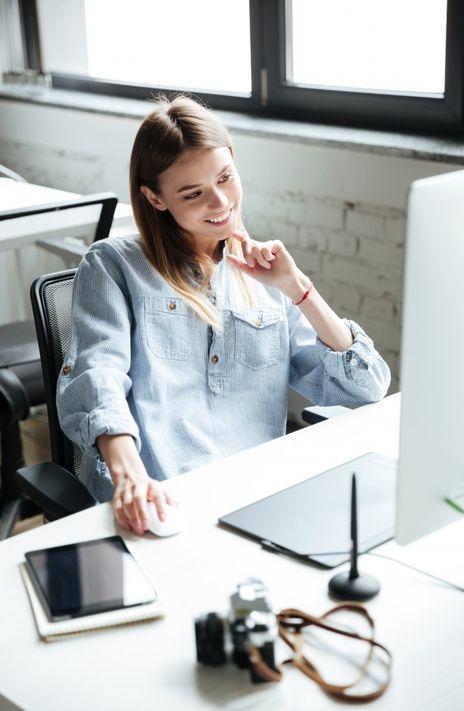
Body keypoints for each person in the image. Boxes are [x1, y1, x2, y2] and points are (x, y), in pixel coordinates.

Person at [57, 95, 390, 536]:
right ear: (155, 198)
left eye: (225, 178)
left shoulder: (263, 278)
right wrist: (129, 473)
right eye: (192, 193)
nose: (219, 203)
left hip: (257, 499)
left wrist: (298, 288)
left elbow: (365, 387)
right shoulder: (113, 265)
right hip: (160, 502)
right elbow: (98, 376)